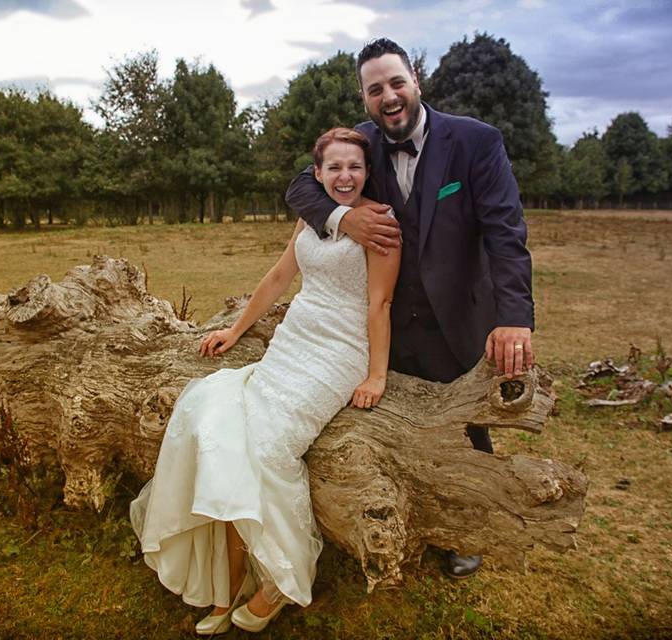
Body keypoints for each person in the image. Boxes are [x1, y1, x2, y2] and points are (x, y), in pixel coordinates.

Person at [130, 127, 400, 635]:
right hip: (293, 341)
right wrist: (235, 329)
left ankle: (278, 577)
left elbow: (379, 303)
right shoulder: (311, 214)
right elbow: (279, 277)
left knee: (271, 448)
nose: (346, 177)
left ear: (368, 173)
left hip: (338, 351)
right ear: (317, 174)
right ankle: (226, 580)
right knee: (220, 431)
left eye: (355, 167)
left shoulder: (381, 224)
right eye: (335, 167)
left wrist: (377, 374)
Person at [285, 38, 535, 579]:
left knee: (465, 428)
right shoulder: (362, 145)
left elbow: (505, 233)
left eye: (396, 82)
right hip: (386, 321)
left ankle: (469, 530)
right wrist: (341, 218)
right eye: (375, 89)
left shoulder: (476, 141)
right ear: (365, 97)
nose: (388, 96)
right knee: (393, 423)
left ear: (415, 79)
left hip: (457, 316)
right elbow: (301, 187)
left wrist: (513, 317)